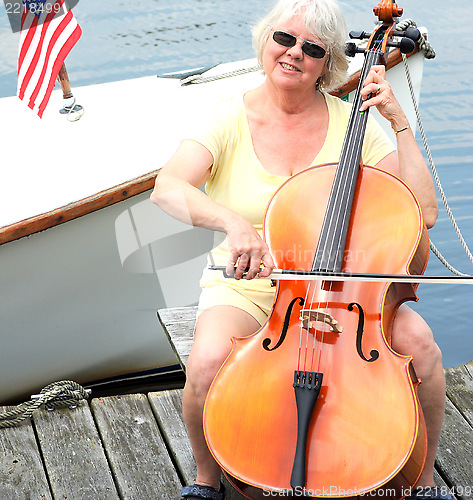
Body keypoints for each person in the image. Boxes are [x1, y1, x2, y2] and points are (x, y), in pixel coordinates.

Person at [151, 1, 448, 499]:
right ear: (265, 42)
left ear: (328, 62)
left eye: (312, 48)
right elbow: (167, 187)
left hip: (343, 292)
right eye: (284, 39)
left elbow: (424, 212)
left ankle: (419, 482)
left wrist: (397, 121)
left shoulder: (350, 123)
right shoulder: (228, 118)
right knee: (204, 363)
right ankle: (207, 481)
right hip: (248, 284)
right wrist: (230, 222)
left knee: (420, 345)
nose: (294, 54)